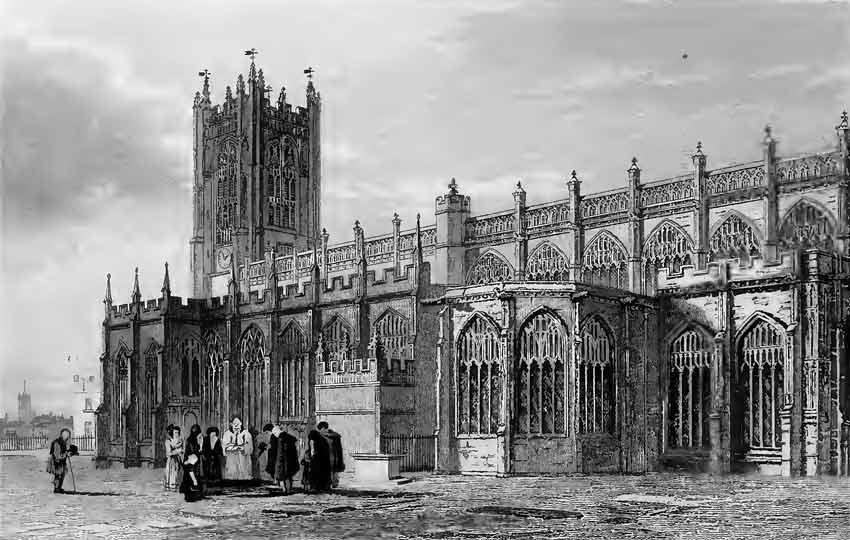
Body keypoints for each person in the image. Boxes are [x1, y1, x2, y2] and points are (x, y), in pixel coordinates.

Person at [45, 428, 77, 494]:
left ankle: (59, 488)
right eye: (65, 435)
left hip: (61, 462)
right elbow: (57, 455)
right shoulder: (57, 443)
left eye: (68, 435)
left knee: (62, 474)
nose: (67, 437)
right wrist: (66, 454)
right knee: (58, 475)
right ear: (62, 434)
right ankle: (57, 489)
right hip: (56, 462)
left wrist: (69, 453)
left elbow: (64, 452)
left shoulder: (63, 442)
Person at [274, 426, 300, 494]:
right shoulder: (290, 438)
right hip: (291, 460)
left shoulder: (280, 439)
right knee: (289, 476)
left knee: (283, 476)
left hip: (283, 460)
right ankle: (289, 489)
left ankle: (285, 490)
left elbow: (280, 453)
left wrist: (278, 462)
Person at [319, 422, 345, 489]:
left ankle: (334, 483)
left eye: (322, 429)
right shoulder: (322, 436)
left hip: (333, 455)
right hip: (326, 455)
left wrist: (328, 435)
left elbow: (336, 437)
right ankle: (329, 483)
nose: (321, 431)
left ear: (324, 428)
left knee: (333, 469)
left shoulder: (332, 435)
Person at [306, 427, 331, 493]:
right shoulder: (322, 440)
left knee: (315, 473)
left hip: (317, 460)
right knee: (318, 474)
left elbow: (313, 451)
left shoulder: (317, 441)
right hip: (320, 460)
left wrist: (312, 456)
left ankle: (316, 487)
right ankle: (319, 487)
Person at [164, 425, 184, 491]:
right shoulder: (168, 441)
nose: (177, 434)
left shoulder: (180, 441)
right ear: (172, 433)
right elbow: (168, 453)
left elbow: (182, 450)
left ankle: (179, 487)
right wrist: (177, 451)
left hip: (178, 459)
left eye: (178, 433)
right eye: (175, 432)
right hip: (171, 461)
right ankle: (171, 487)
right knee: (172, 473)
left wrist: (181, 452)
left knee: (179, 473)